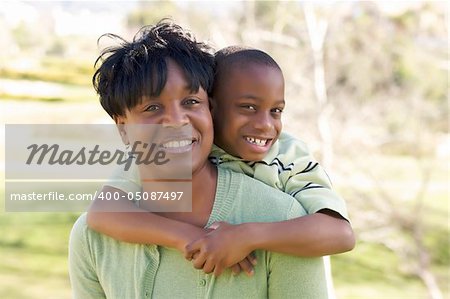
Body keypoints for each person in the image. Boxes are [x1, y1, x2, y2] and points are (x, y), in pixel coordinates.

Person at [69, 20, 331, 298]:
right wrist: (190, 238)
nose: (176, 121)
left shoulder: (283, 221)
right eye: (152, 107)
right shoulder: (92, 237)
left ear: (211, 109)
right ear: (123, 127)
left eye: (191, 102)